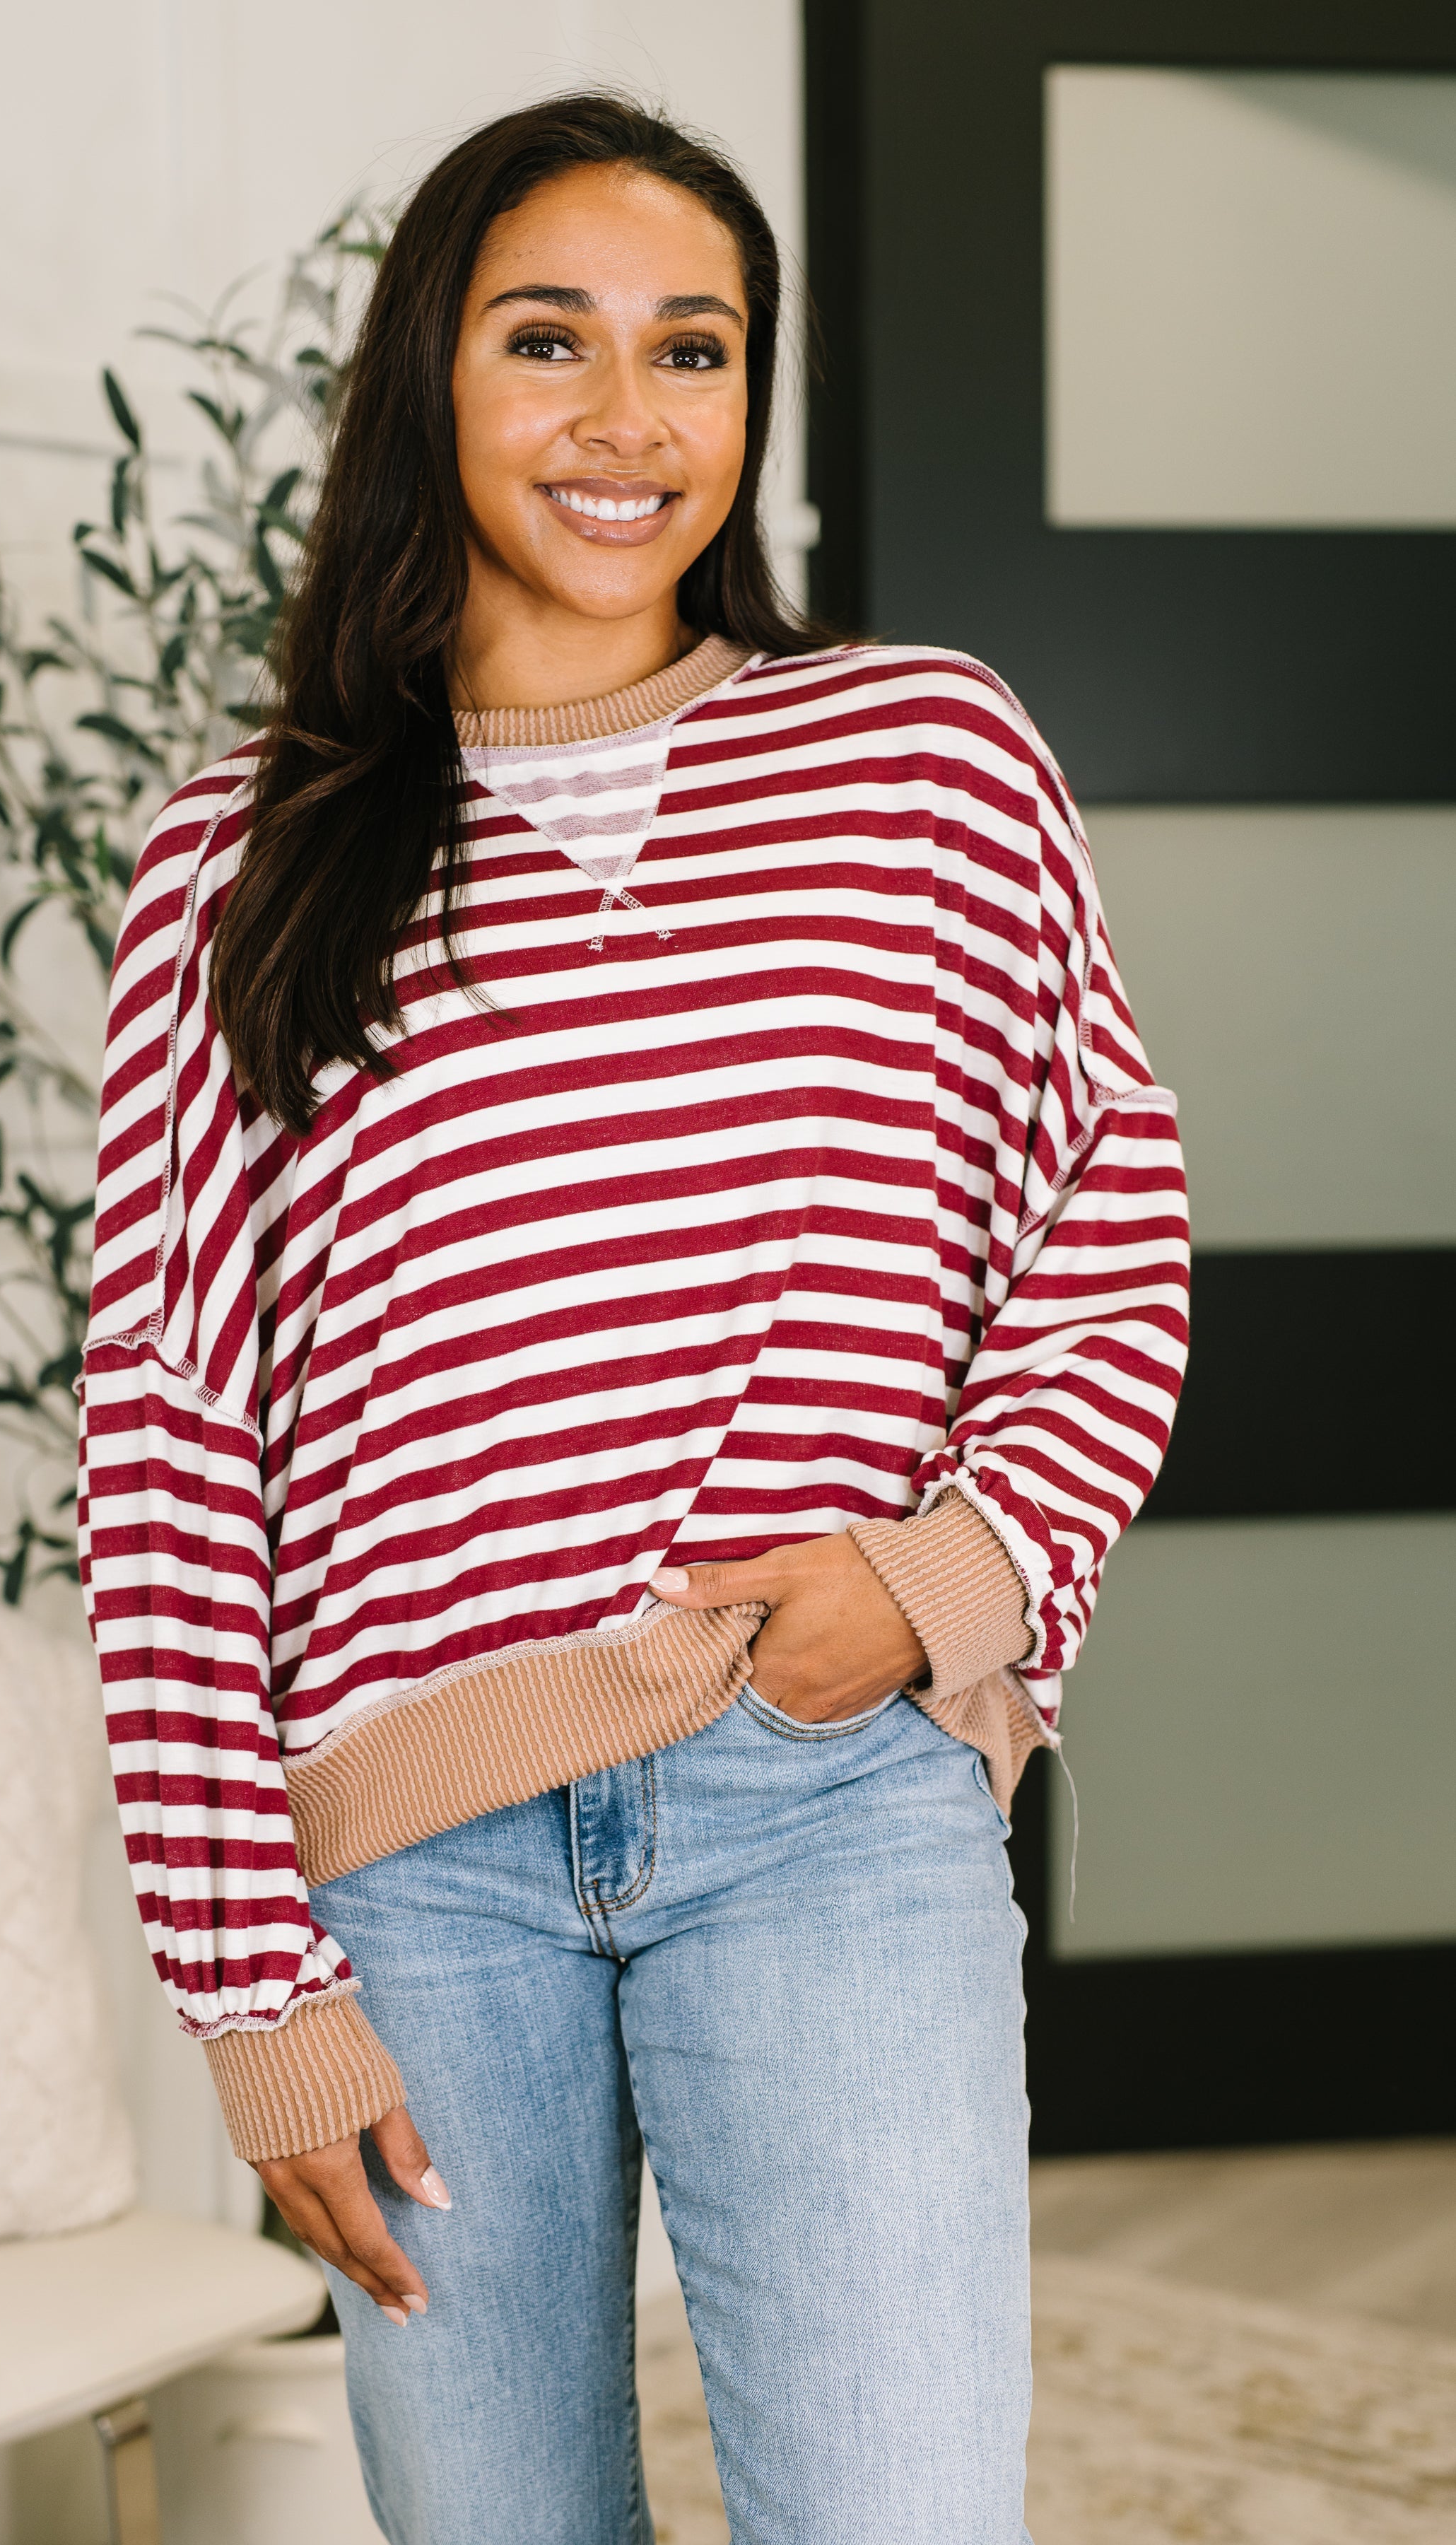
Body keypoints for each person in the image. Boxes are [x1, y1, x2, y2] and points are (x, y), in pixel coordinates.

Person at [78, 93, 1187, 2545]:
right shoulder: (241, 852)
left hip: (828, 1808)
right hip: (411, 1866)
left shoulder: (920, 761)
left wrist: (934, 1587)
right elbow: (162, 1452)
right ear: (426, 385)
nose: (625, 418)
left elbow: (1102, 1209)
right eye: (545, 341)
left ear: (750, 403)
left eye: (691, 351)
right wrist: (259, 2006)